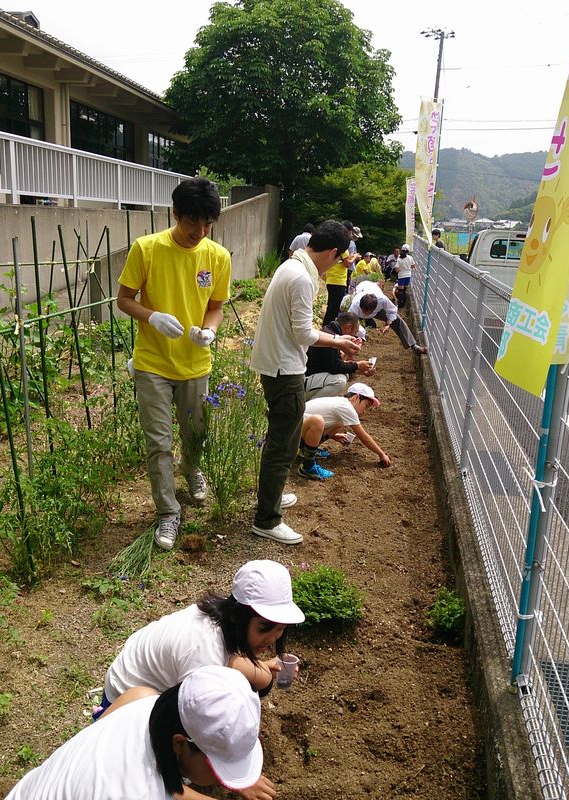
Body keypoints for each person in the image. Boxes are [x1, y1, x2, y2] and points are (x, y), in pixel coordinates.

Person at [117, 177, 231, 552]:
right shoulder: (147, 249)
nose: (200, 231)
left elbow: (215, 307)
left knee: (194, 432)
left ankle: (191, 468)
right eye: (192, 222)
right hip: (152, 362)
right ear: (175, 214)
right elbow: (124, 299)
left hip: (196, 362)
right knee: (158, 441)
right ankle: (168, 511)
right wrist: (151, 317)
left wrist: (209, 331)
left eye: (207, 224)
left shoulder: (217, 256)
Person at [5, 665, 275, 800]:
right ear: (180, 744)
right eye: (219, 770)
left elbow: (167, 787)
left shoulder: (141, 701)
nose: (224, 784)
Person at [250, 220, 361, 545]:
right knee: (283, 444)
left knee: (280, 437)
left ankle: (271, 496)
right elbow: (302, 334)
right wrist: (338, 342)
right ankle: (266, 519)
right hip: (284, 370)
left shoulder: (291, 267)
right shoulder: (301, 277)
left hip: (276, 364)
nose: (335, 266)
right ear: (331, 252)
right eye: (338, 260)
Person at [95, 560, 304, 717]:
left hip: (142, 683)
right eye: (265, 628)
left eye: (281, 629)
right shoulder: (203, 652)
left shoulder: (223, 617)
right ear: (237, 616)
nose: (272, 638)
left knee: (260, 679)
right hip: (122, 705)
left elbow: (241, 667)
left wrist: (263, 668)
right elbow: (193, 724)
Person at [298, 382, 391, 480]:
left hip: (298, 431)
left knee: (338, 424)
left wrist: (334, 435)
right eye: (366, 405)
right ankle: (308, 467)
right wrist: (381, 454)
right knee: (317, 421)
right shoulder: (346, 407)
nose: (364, 411)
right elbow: (363, 436)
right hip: (291, 435)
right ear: (356, 398)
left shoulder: (341, 403)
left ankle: (306, 450)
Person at [341, 280, 427, 355]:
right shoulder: (355, 306)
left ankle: (414, 346)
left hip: (373, 293)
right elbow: (350, 324)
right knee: (350, 327)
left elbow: (392, 311)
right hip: (362, 289)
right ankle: (343, 348)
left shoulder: (382, 300)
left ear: (375, 308)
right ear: (361, 306)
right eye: (364, 311)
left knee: (397, 319)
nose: (366, 314)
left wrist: (388, 324)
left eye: (369, 312)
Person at [305, 312, 376, 400]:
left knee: (342, 376)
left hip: (309, 377)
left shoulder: (330, 332)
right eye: (354, 333)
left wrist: (359, 369)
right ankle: (310, 407)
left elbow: (333, 364)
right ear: (348, 327)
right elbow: (335, 367)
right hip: (303, 381)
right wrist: (357, 365)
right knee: (339, 380)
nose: (353, 336)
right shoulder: (331, 337)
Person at [322, 251, 355, 325]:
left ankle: (326, 326)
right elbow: (347, 264)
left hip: (330, 280)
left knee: (331, 306)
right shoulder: (344, 249)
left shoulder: (333, 248)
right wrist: (355, 257)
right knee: (334, 308)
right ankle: (328, 327)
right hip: (339, 282)